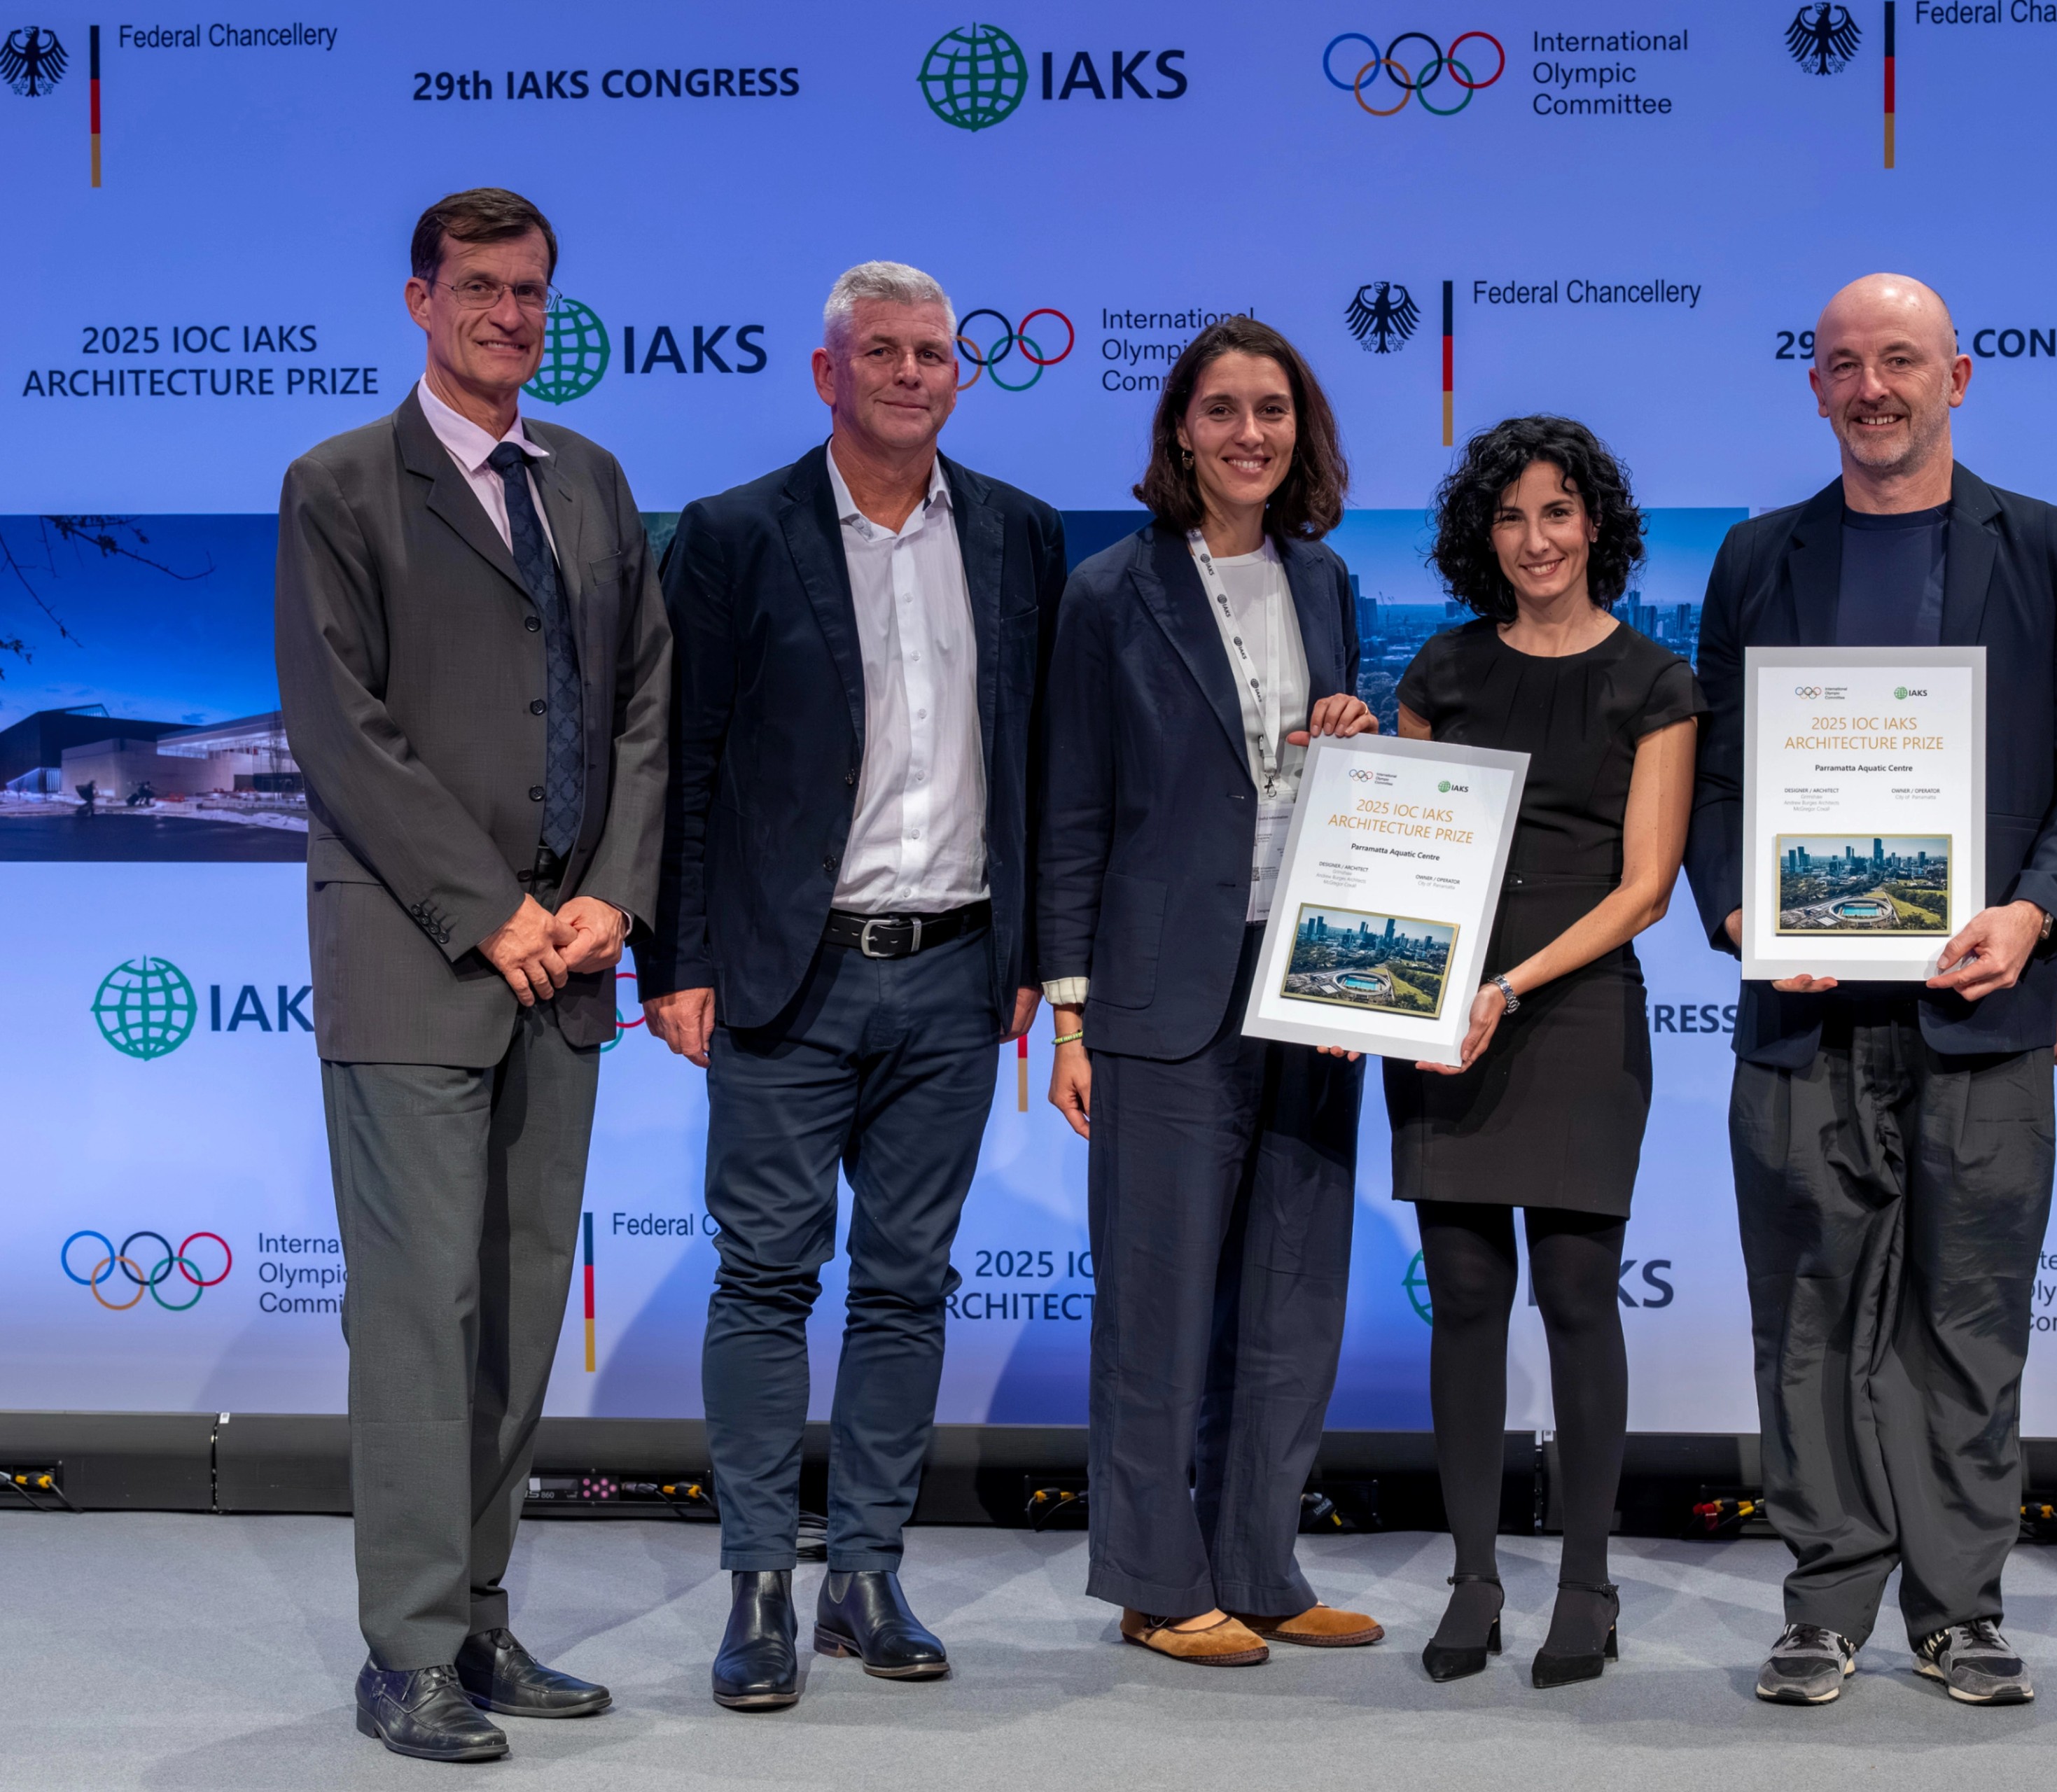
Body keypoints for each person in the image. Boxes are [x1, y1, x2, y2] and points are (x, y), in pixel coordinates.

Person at [1682, 274, 2057, 1708]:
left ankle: (1959, 1609)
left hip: (1981, 1005)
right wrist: (1738, 908)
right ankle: (1825, 1601)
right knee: (1805, 1315)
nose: (1872, 387)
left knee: (1969, 1318)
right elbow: (1716, 778)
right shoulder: (1757, 554)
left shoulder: (2045, 547)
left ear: (1959, 377)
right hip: (1801, 1010)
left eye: (1900, 360)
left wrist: (2035, 911)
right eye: (1844, 364)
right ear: (1813, 385)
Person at [274, 187, 671, 1763]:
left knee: (515, 1307)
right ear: (420, 301)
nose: (512, 315)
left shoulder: (593, 479)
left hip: (569, 964)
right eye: (482, 288)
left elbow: (643, 700)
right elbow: (341, 728)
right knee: (420, 1312)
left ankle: (480, 1619)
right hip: (416, 951)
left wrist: (616, 890)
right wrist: (492, 908)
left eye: (533, 291)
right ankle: (409, 1651)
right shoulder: (339, 484)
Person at [635, 261, 1065, 1712]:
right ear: (828, 374)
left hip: (955, 973)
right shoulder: (734, 533)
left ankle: (866, 1574)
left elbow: (1039, 763)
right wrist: (676, 958)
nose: (909, 373)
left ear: (961, 373)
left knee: (906, 1283)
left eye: (931, 352)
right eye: (879, 351)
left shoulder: (1016, 533)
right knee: (765, 1277)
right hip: (785, 975)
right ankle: (760, 1583)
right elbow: (683, 763)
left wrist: (1033, 960)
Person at [1038, 317, 1383, 1667]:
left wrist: (1354, 732)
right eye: (1225, 409)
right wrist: (1070, 1014)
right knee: (1160, 1301)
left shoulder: (1327, 580)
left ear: (1303, 430)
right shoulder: (1110, 592)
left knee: (1292, 1300)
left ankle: (1260, 1566)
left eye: (1274, 410)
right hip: (1158, 991)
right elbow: (1071, 808)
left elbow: (1331, 776)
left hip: (1310, 977)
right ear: (1181, 429)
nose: (1252, 434)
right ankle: (1153, 1580)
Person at [1387, 417, 1704, 1688]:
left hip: (1571, 1009)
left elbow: (1646, 889)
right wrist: (1390, 997)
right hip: (1444, 1012)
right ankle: (1473, 1578)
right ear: (1485, 536)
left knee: (1577, 1299)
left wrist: (1507, 988)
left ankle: (1587, 1582)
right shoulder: (1443, 670)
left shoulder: (1655, 680)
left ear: (1596, 526)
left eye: (1558, 512)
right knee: (1465, 1300)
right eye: (1512, 516)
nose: (1536, 539)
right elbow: (1401, 853)